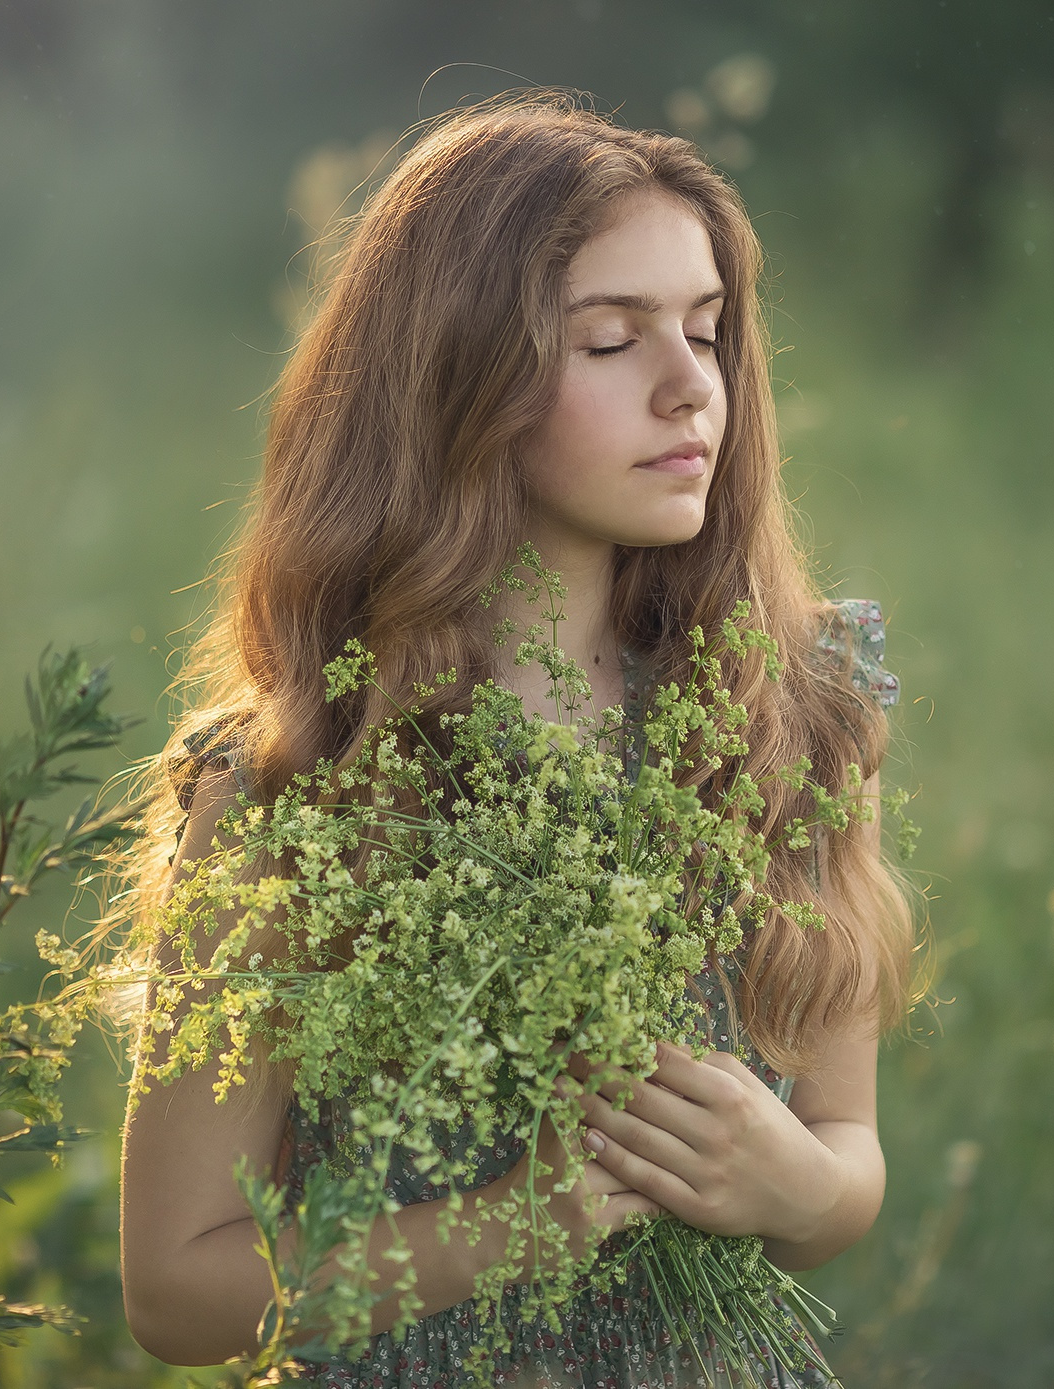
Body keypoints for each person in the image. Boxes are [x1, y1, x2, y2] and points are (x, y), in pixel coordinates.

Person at [114, 93, 912, 1387]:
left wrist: (793, 1186)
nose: (688, 387)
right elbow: (176, 1287)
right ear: (460, 377)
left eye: (708, 332)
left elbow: (849, 1153)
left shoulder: (793, 711)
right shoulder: (296, 780)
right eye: (611, 342)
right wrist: (502, 1231)